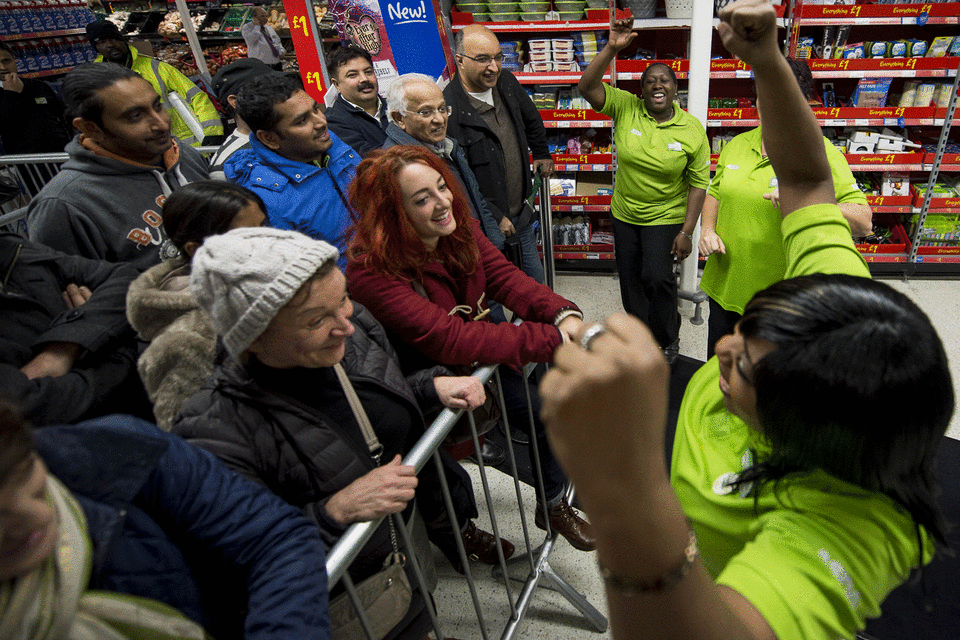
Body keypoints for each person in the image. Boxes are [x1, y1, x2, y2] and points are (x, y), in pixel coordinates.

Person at [539, 3, 952, 640]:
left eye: (743, 366)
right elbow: (810, 178)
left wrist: (623, 489)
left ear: (810, 423)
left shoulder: (843, 527)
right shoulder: (833, 295)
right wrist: (767, 63)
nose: (723, 345)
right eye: (745, 331)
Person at [173, 228, 514, 631]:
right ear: (251, 338)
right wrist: (333, 513)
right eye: (316, 319)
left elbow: (378, 396)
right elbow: (230, 561)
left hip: (399, 563)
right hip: (334, 609)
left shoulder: (347, 337)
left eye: (344, 299)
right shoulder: (211, 428)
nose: (346, 325)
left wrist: (428, 388)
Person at [345, 146, 595, 552]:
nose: (443, 202)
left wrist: (562, 314)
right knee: (438, 478)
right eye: (422, 199)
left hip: (479, 364)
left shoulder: (457, 226)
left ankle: (551, 504)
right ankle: (460, 538)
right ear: (392, 212)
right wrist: (553, 341)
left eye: (442, 187)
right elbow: (448, 337)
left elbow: (503, 277)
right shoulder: (372, 271)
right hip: (418, 386)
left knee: (545, 413)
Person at [0, 401, 330, 639]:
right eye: (1, 518)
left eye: (27, 473)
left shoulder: (118, 449)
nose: (40, 515)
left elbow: (273, 538)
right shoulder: (214, 413)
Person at [698, 58, 872, 357]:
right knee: (719, 369)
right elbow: (716, 190)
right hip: (724, 286)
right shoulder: (737, 144)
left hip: (780, 300)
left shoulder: (821, 154)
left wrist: (803, 196)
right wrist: (707, 229)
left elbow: (863, 222)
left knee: (763, 383)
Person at [577, 23, 710, 361]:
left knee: (658, 279)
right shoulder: (625, 107)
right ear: (641, 90)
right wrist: (610, 49)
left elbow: (698, 183)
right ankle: (638, 337)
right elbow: (586, 85)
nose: (657, 85)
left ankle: (667, 338)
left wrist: (686, 232)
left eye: (664, 80)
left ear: (676, 88)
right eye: (650, 81)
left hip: (665, 216)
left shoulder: (692, 129)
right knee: (631, 282)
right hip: (625, 214)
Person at [25, 63, 210, 272]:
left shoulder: (183, 155)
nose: (161, 124)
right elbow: (70, 294)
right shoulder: (63, 206)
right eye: (135, 116)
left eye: (157, 106)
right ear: (90, 128)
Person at [126, 180, 267, 431]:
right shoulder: (186, 339)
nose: (269, 241)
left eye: (264, 227)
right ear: (197, 250)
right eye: (248, 237)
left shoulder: (254, 282)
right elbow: (192, 430)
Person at [0, 231, 151, 426]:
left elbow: (127, 278)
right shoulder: (57, 207)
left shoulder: (11, 251)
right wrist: (112, 345)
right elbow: (30, 406)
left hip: (147, 406)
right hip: (85, 443)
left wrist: (61, 349)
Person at [444, 24, 553, 284]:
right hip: (486, 225)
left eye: (497, 57)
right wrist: (495, 215)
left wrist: (542, 152)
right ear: (459, 60)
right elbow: (459, 179)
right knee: (493, 293)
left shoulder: (505, 82)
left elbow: (532, 118)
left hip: (521, 215)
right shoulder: (449, 110)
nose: (494, 67)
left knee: (536, 285)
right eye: (483, 59)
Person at [225, 73, 359, 266]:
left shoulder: (336, 148)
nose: (321, 122)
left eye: (315, 109)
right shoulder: (265, 202)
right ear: (270, 139)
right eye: (302, 121)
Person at [86, 20, 223, 146]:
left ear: (123, 40)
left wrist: (213, 133)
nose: (110, 45)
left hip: (184, 148)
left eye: (114, 39)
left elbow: (197, 97)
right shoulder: (96, 80)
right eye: (102, 42)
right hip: (137, 153)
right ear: (96, 48)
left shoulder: (157, 68)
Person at [209, 58, 278, 179]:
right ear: (235, 102)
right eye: (264, 90)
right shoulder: (226, 165)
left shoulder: (287, 133)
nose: (277, 94)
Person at [0, 42, 71, 156]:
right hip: (28, 163)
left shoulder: (38, 85)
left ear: (14, 59)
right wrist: (11, 94)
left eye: (6, 61)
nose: (3, 68)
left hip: (62, 154)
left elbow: (64, 115)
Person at [324, 44, 390, 156]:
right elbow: (370, 158)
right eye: (353, 75)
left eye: (368, 72)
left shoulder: (396, 106)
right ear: (337, 84)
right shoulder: (333, 122)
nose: (364, 79)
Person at [241, 6, 286, 71]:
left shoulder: (269, 28)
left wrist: (281, 50)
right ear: (254, 18)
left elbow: (277, 42)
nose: (265, 19)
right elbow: (251, 40)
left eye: (266, 16)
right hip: (260, 67)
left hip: (276, 65)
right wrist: (257, 26)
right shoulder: (247, 28)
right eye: (262, 16)